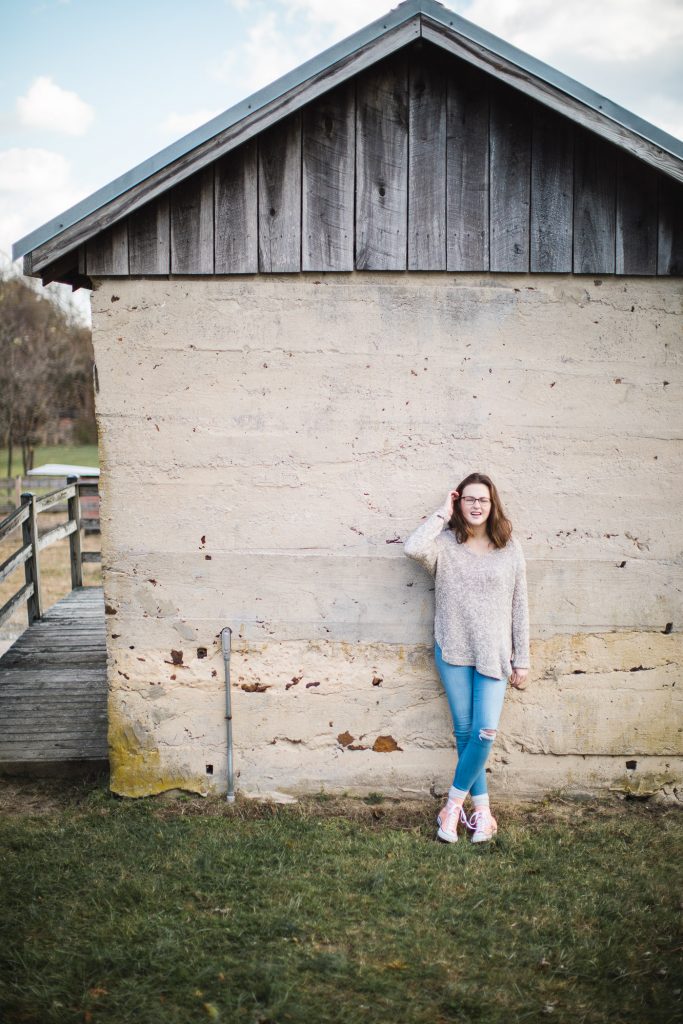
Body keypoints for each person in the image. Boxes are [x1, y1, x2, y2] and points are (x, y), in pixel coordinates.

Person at [403, 472, 530, 844]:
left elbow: (519, 604)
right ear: (459, 503)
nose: (476, 505)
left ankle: (452, 808)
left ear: (493, 506)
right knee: (465, 733)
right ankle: (484, 815)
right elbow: (412, 547)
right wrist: (442, 513)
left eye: (483, 500)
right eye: (469, 499)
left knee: (484, 733)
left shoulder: (509, 547)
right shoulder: (444, 545)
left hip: (494, 654)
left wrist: (523, 658)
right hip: (454, 649)